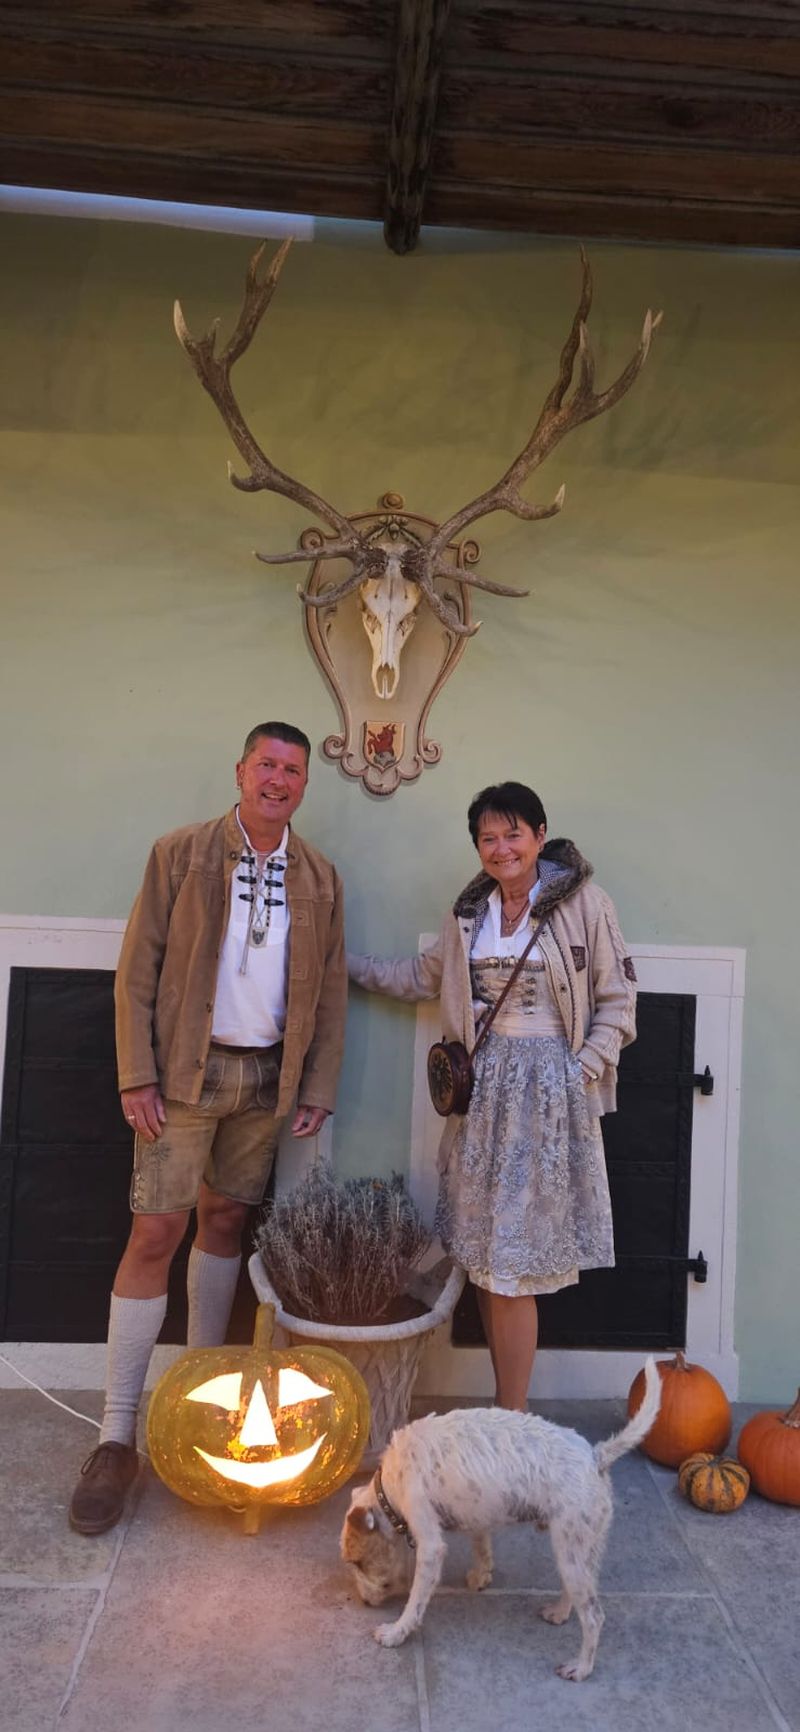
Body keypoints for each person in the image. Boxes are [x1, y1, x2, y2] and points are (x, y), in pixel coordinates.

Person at [69, 721, 347, 1534]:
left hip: (267, 1081)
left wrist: (316, 1084)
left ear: (304, 786)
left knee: (224, 1222)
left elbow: (330, 991)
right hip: (184, 1076)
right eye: (267, 764)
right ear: (240, 770)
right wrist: (136, 1073)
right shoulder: (181, 854)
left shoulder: (320, 876)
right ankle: (116, 1436)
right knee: (156, 1231)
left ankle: (197, 1402)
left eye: (292, 770)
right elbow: (137, 970)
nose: (278, 779)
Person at [349, 781, 636, 1412]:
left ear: (539, 836)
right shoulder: (470, 912)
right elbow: (420, 976)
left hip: (548, 1096)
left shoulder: (585, 903)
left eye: (514, 834)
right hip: (483, 1095)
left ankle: (513, 1415)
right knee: (485, 1256)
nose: (502, 848)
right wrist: (340, 964)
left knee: (511, 1267)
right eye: (488, 838)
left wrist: (579, 1071)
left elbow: (619, 1001)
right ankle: (508, 1409)